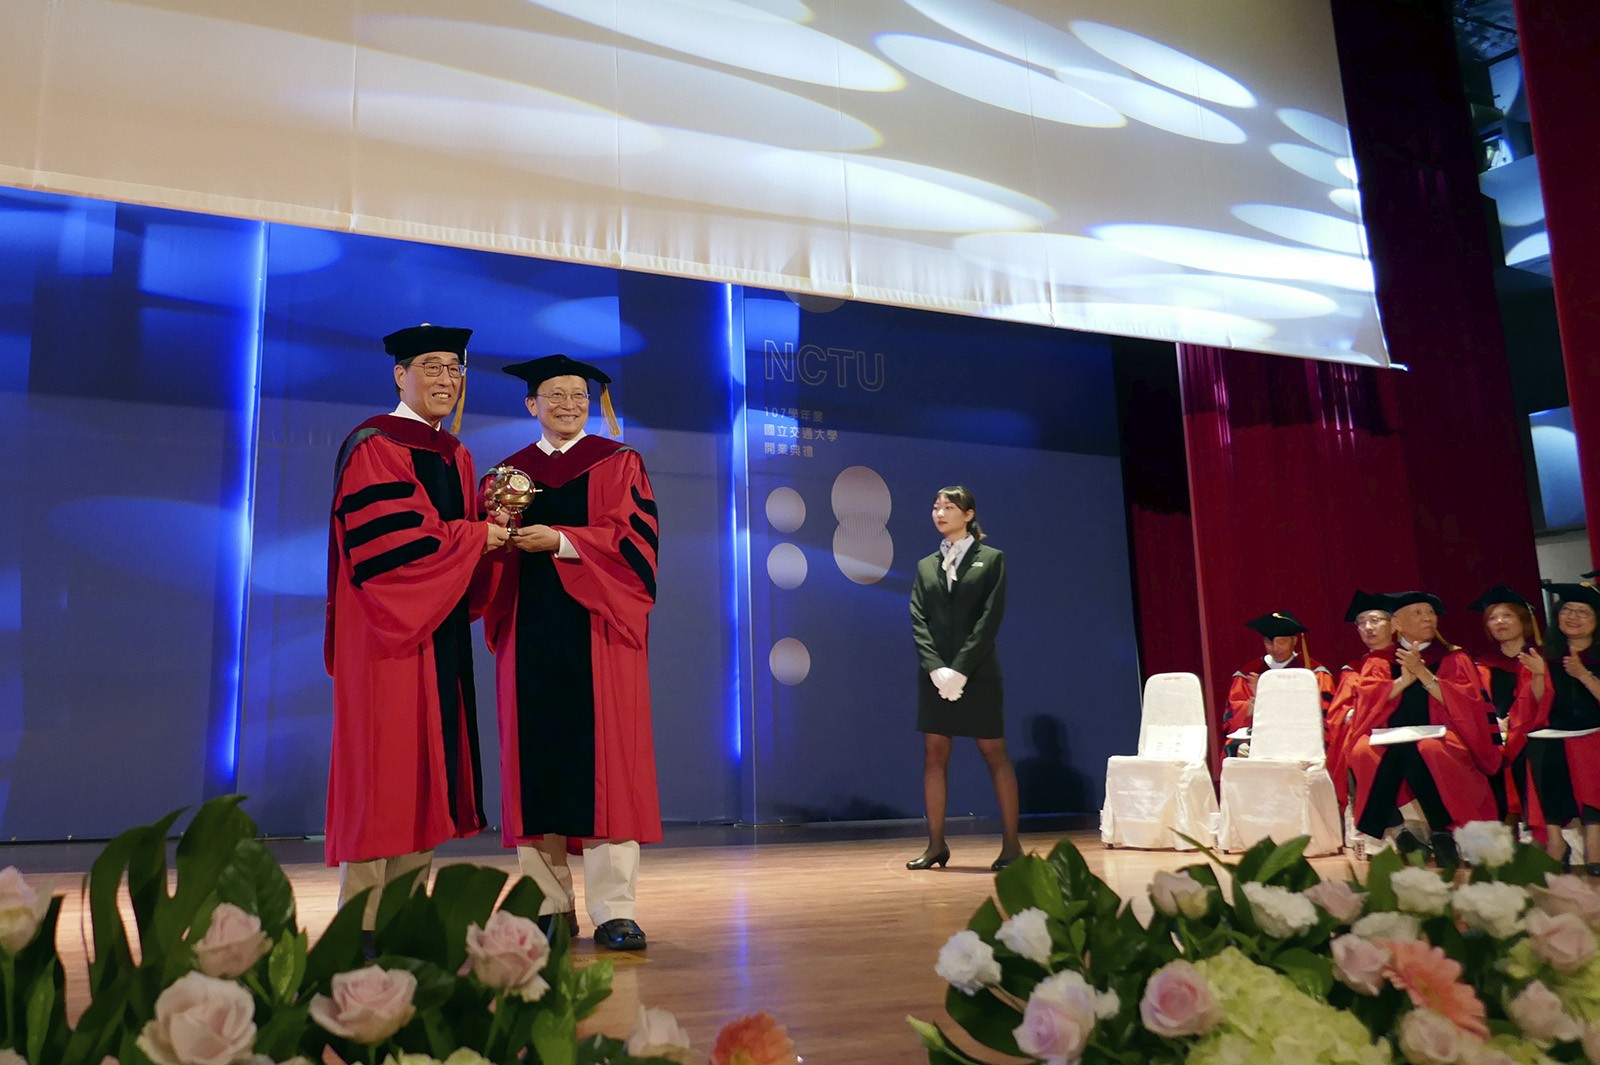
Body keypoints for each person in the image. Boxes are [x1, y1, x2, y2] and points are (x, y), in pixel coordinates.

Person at [324, 324, 506, 931]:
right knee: (383, 774)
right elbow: (396, 550)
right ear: (399, 374)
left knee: (429, 775)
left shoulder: (456, 454)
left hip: (439, 633)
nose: (446, 380)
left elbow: (458, 545)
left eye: (454, 370)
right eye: (431, 367)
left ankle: (402, 919)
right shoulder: (374, 445)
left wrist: (497, 525)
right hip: (387, 636)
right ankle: (360, 924)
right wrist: (479, 535)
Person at [481, 353, 660, 951]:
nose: (568, 404)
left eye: (578, 395)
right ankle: (549, 905)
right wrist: (495, 539)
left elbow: (634, 543)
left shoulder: (618, 462)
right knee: (537, 769)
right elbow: (484, 556)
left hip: (597, 631)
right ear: (531, 404)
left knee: (606, 767)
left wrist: (560, 540)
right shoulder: (509, 474)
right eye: (554, 395)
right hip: (529, 631)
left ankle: (615, 910)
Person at [1345, 591, 1501, 867]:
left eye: (1430, 612)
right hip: (1391, 734)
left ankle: (1442, 832)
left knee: (1427, 748)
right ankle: (1399, 829)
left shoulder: (1453, 657)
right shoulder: (1382, 660)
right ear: (1397, 624)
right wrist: (1404, 680)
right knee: (1360, 750)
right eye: (1418, 613)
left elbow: (1468, 707)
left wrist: (1424, 673)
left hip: (1443, 733)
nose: (1428, 618)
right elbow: (1370, 703)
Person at [907, 486, 1017, 872]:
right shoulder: (925, 565)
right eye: (936, 506)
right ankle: (936, 844)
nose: (939, 513)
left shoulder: (992, 559)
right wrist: (936, 667)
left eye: (948, 507)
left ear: (968, 514)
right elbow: (918, 619)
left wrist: (962, 669)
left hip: (980, 673)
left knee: (994, 753)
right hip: (935, 677)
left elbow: (990, 620)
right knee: (934, 755)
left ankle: (1011, 847)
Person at [1526, 583, 1600, 871]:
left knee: (1587, 750)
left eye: (1583, 612)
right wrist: (1537, 675)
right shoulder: (1546, 656)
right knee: (1540, 745)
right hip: (1558, 731)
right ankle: (1556, 840)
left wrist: (1584, 675)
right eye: (1567, 610)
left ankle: (1595, 843)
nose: (1573, 616)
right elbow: (1539, 703)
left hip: (1595, 730)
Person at [1468, 584, 1543, 826]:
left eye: (1507, 615)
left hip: (1533, 732)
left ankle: (1531, 823)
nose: (1500, 622)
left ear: (1524, 620)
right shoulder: (1481, 664)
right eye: (1493, 617)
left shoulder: (1541, 659)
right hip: (1494, 736)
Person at [1221, 611, 1333, 757]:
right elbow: (1231, 722)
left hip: (1302, 736)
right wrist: (1252, 705)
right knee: (1235, 750)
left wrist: (1266, 695)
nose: (1275, 648)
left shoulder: (1314, 673)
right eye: (1268, 642)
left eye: (1281, 641)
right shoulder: (1247, 675)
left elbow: (1326, 716)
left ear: (1294, 640)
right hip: (1260, 737)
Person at [1326, 591, 1394, 809]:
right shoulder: (1353, 669)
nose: (1368, 627)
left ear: (1393, 625)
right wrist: (1352, 714)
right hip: (1365, 733)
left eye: (1374, 620)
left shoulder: (1408, 661)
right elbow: (1337, 713)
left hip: (1399, 729)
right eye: (1361, 623)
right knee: (1356, 747)